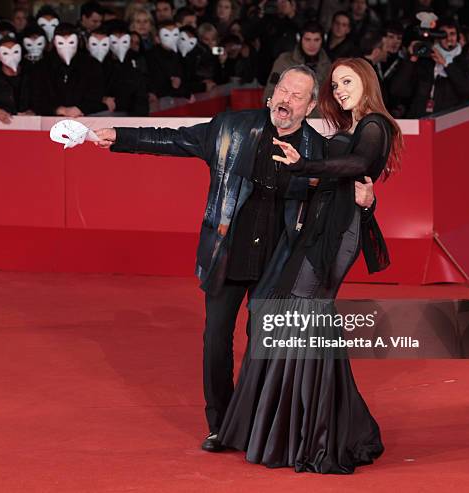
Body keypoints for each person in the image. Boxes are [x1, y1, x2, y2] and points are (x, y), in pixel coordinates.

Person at [85, 64, 376, 453]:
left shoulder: (318, 151)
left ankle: (256, 425)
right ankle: (220, 425)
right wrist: (118, 136)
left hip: (279, 264)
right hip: (227, 254)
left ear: (309, 108)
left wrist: (369, 203)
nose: (285, 101)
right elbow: (173, 139)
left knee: (264, 346)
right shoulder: (230, 128)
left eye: (296, 96)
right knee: (216, 342)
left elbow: (346, 198)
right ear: (271, 95)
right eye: (282, 92)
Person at [217, 57, 403, 474]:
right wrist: (314, 179)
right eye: (335, 84)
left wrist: (305, 166)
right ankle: (308, 427)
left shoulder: (375, 124)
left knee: (303, 315)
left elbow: (358, 167)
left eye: (348, 81)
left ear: (367, 81)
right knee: (293, 317)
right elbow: (344, 175)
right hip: (320, 226)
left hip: (337, 233)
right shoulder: (351, 127)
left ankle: (314, 435)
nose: (339, 90)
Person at [388, 17, 469, 117]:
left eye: (452, 34)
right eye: (443, 34)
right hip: (421, 120)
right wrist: (412, 58)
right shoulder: (425, 61)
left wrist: (446, 64)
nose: (448, 38)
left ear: (458, 37)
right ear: (437, 37)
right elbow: (397, 90)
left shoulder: (463, 61)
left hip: (449, 121)